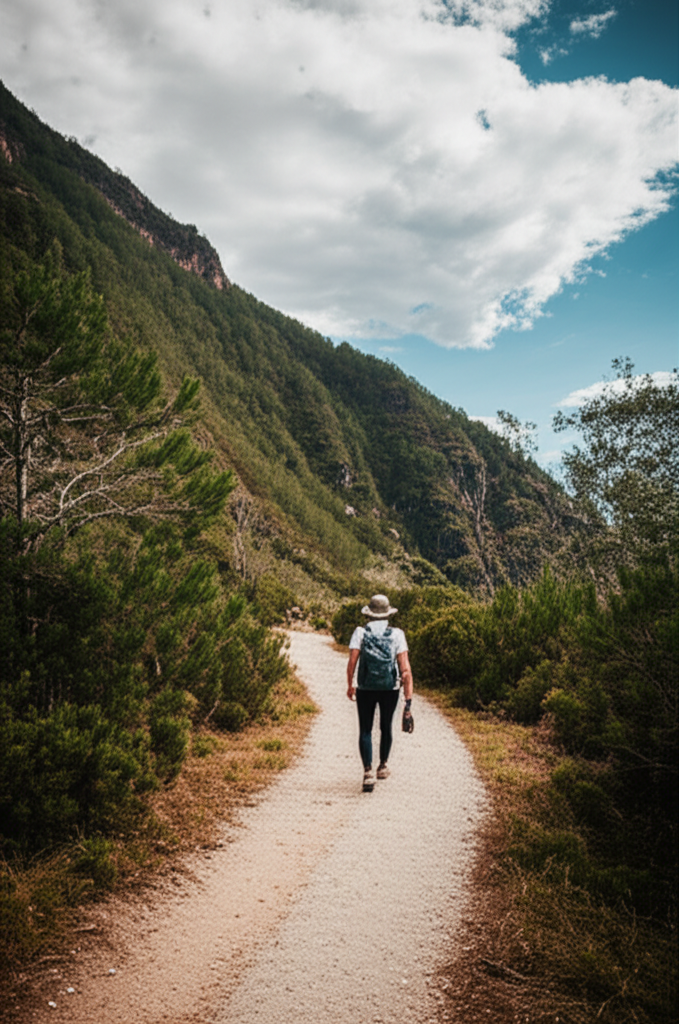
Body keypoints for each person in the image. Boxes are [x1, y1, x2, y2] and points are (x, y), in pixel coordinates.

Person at [346, 594, 413, 792]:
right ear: (388, 614)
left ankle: (367, 772)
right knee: (386, 726)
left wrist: (350, 685)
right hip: (389, 688)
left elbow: (352, 663)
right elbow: (405, 669)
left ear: (369, 614)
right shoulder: (397, 634)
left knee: (365, 729)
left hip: (365, 687)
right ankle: (382, 766)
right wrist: (408, 701)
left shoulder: (360, 632)